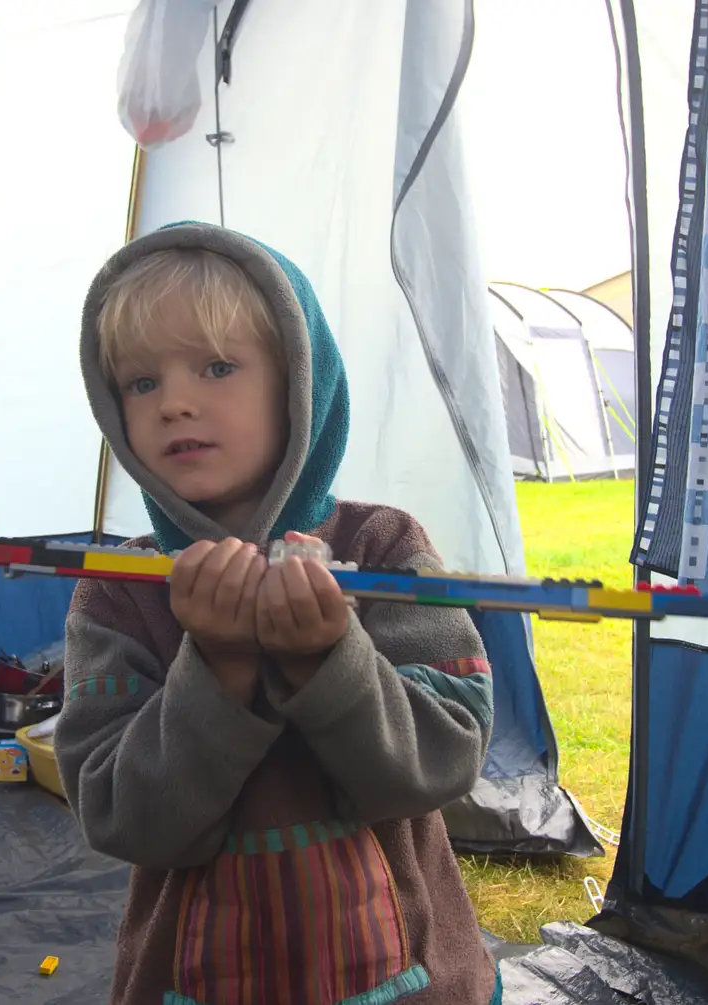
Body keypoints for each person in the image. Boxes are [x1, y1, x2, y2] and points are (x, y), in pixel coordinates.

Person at [55, 222, 501, 1005]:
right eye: (140, 382)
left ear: (300, 382)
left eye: (218, 366)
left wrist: (330, 659)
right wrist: (218, 667)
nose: (175, 403)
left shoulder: (383, 547)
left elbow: (441, 762)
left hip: (412, 979)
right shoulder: (120, 589)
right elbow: (125, 818)